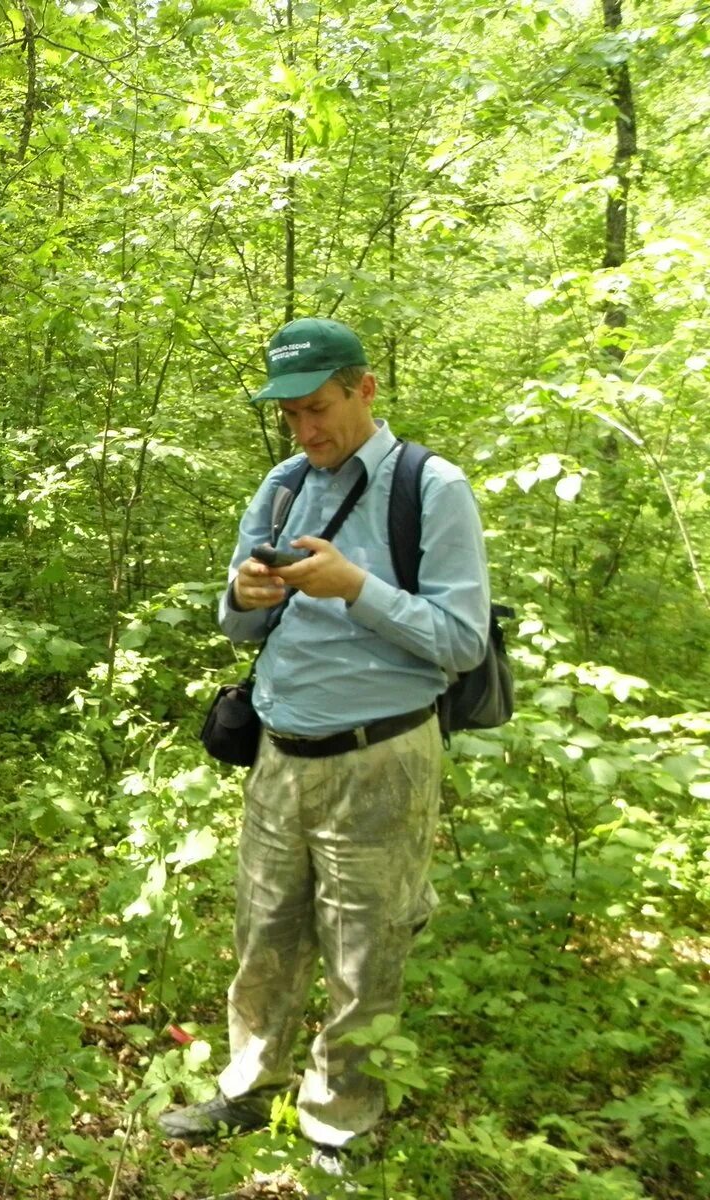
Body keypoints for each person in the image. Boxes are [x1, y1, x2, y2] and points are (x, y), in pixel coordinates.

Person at [160, 318, 490, 1176]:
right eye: (291, 417)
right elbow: (236, 623)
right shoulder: (280, 487)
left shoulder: (433, 488)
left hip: (382, 758)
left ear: (364, 389)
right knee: (265, 935)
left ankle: (339, 1121)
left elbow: (462, 641)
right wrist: (243, 591)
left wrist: (358, 589)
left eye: (318, 409)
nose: (306, 432)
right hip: (280, 753)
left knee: (366, 947)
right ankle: (247, 1087)